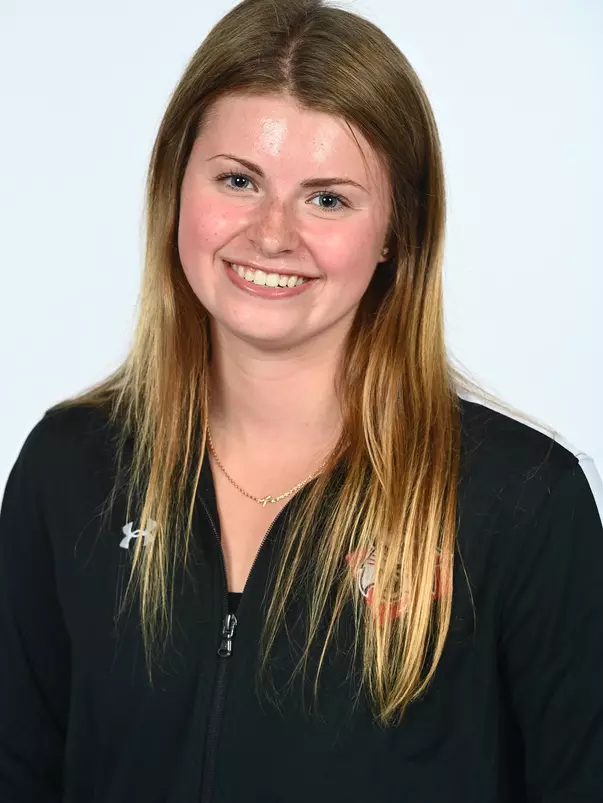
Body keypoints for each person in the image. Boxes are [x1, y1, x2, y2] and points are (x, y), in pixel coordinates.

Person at [1, 0, 602, 800]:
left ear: (397, 231)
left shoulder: (523, 503)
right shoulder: (67, 467)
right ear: (175, 188)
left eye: (327, 198)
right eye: (238, 180)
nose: (272, 234)